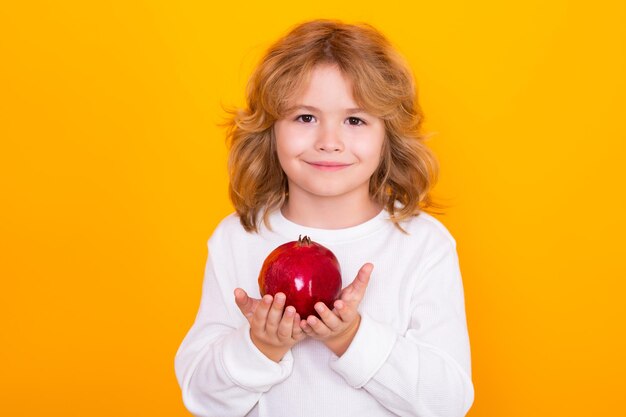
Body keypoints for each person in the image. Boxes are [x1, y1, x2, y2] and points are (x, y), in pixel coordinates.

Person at [175, 19, 474, 417]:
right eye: (304, 117)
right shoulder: (238, 238)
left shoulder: (422, 244)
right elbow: (201, 398)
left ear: (388, 135)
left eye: (355, 120)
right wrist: (261, 347)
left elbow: (447, 403)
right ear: (270, 131)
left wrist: (350, 337)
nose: (328, 142)